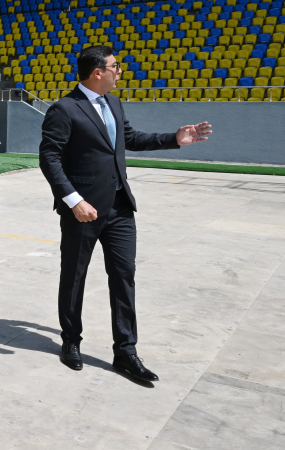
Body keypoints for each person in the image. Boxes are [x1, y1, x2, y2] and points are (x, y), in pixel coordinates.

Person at [39, 45, 211, 382]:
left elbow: (129, 138)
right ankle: (71, 340)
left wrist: (174, 139)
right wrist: (73, 200)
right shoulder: (65, 108)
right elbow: (50, 158)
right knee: (74, 276)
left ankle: (126, 351)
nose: (120, 72)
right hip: (82, 211)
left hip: (119, 207)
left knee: (124, 276)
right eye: (115, 66)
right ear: (97, 72)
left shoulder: (114, 103)